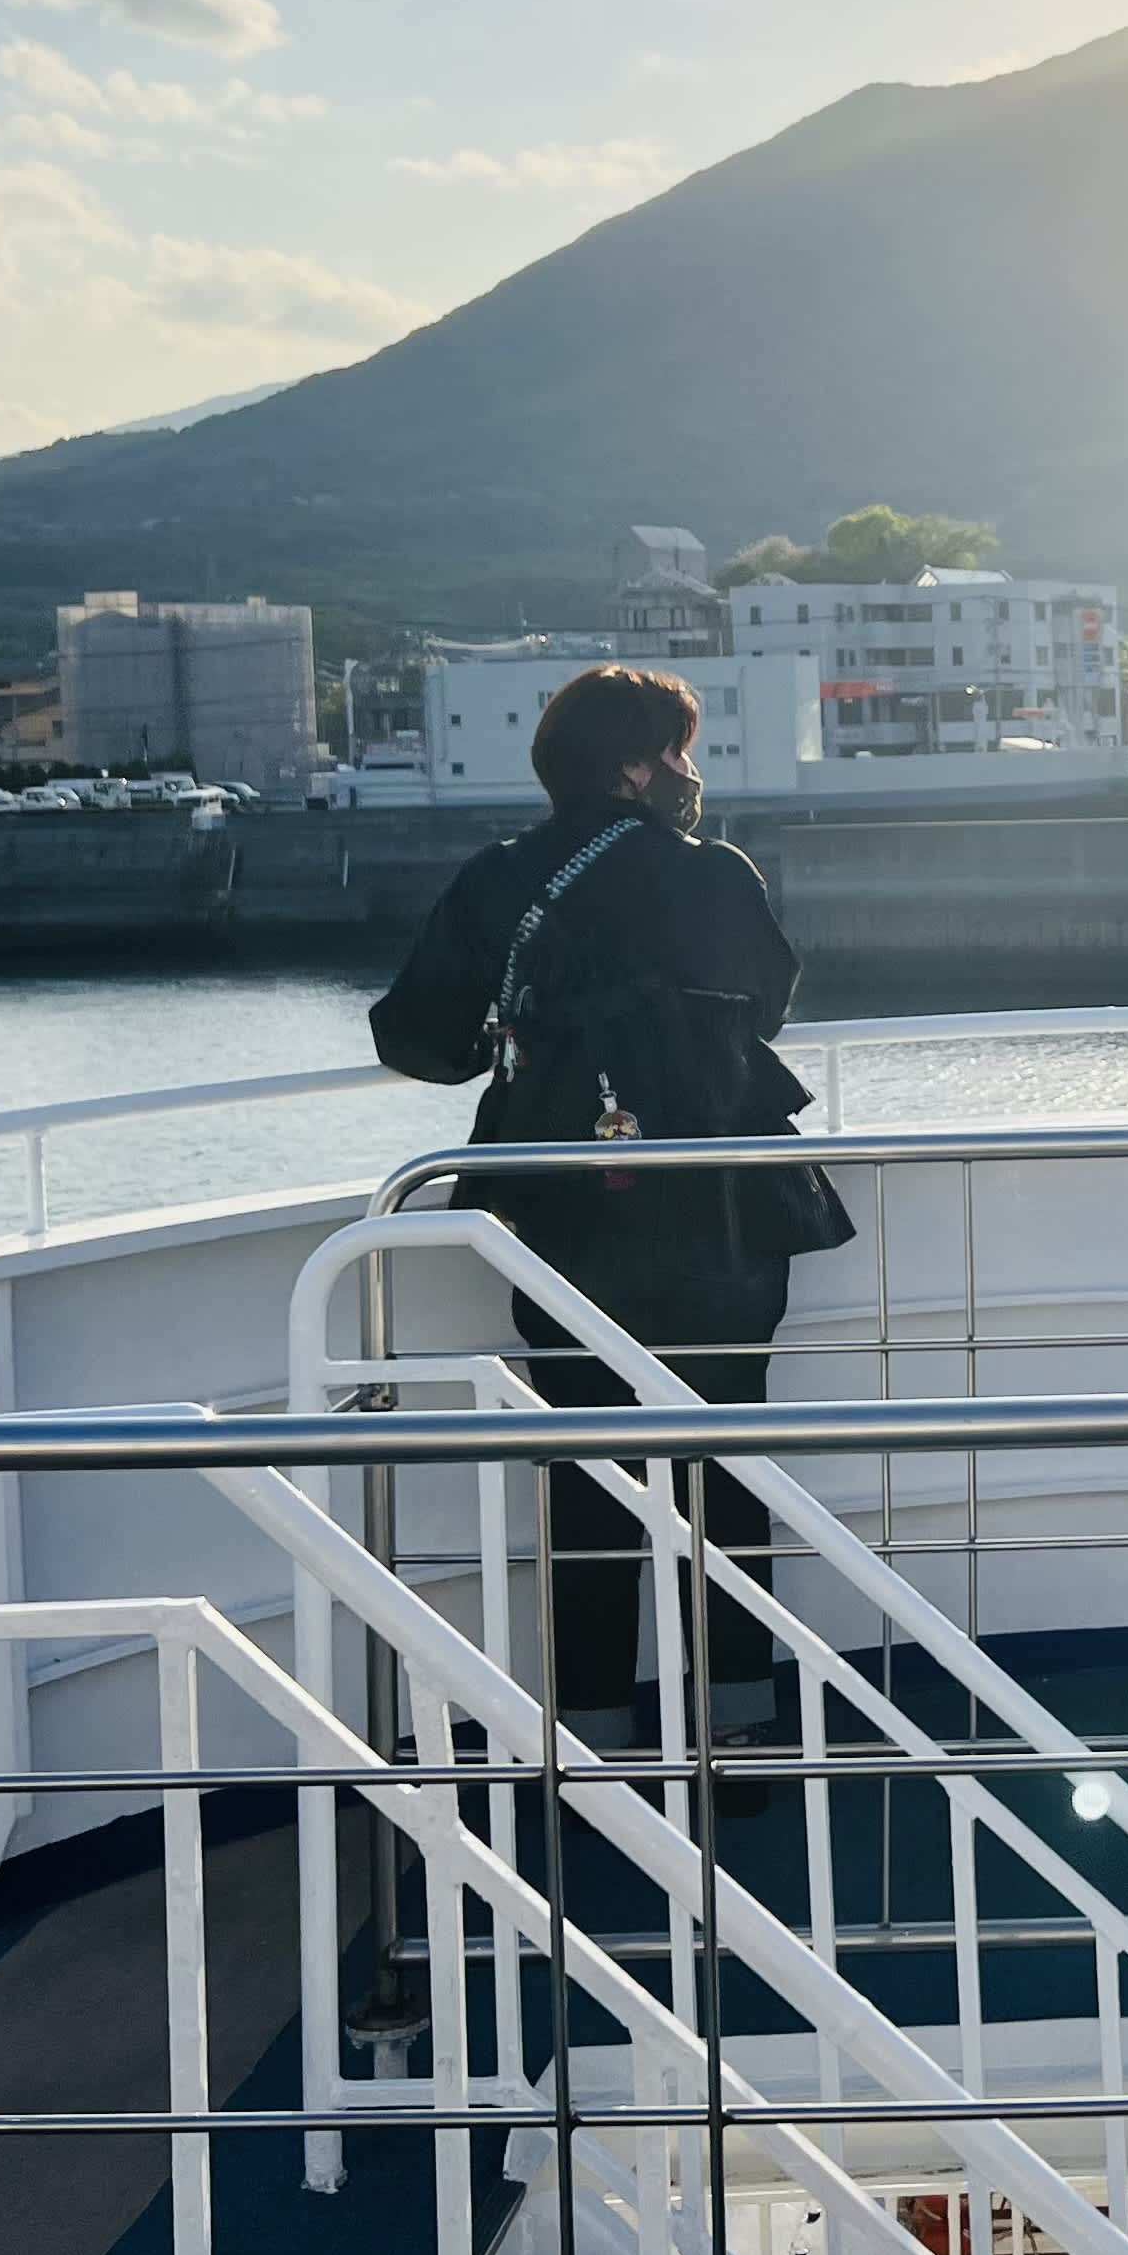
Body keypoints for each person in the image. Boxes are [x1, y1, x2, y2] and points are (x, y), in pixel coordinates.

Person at [370, 664, 808, 1765]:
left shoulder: (498, 879)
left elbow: (416, 1033)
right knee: (723, 1459)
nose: (689, 772)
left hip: (563, 1209)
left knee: (587, 1465)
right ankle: (740, 1731)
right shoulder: (715, 876)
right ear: (637, 764)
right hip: (720, 1206)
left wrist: (510, 1046)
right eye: (678, 748)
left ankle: (597, 1740)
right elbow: (770, 1003)